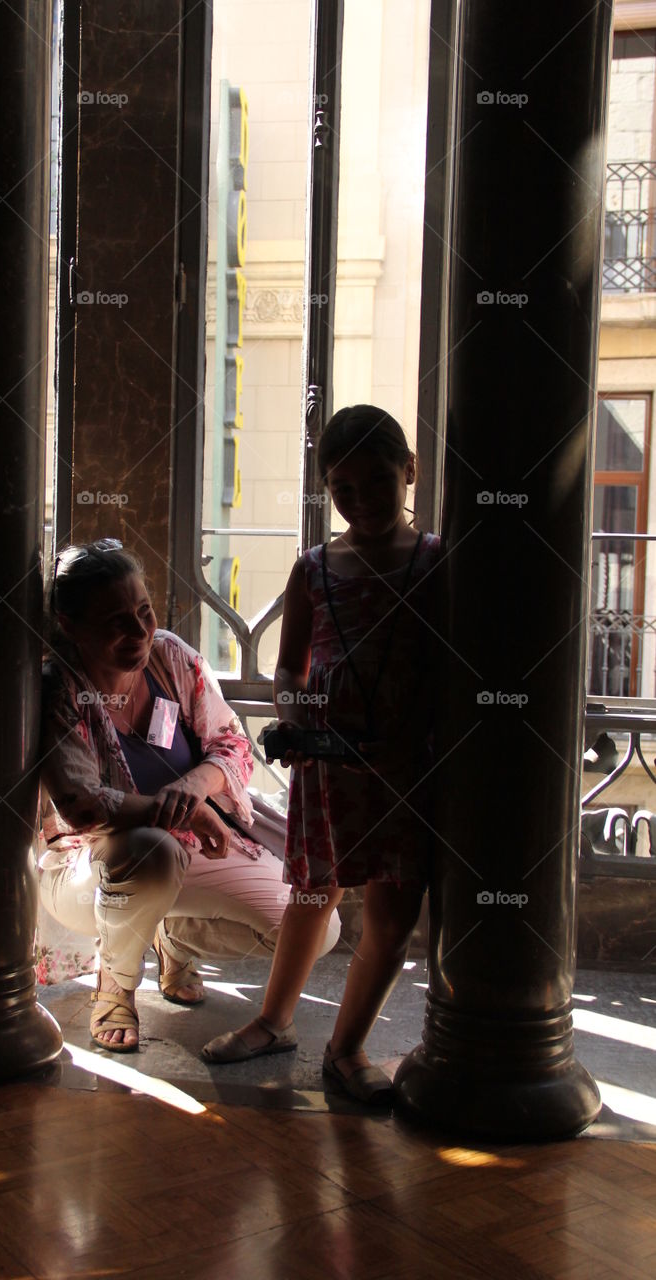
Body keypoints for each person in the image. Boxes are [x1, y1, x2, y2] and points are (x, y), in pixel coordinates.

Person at [202, 405, 440, 1104]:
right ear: (325, 491)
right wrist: (297, 717)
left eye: (377, 481)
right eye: (342, 488)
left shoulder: (433, 563)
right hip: (328, 766)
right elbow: (287, 670)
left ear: (409, 473)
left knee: (393, 917)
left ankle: (346, 1049)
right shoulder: (313, 569)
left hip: (404, 770)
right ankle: (273, 1021)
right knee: (312, 893)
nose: (361, 501)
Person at [36, 539, 340, 1053]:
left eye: (144, 611)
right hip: (89, 866)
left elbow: (234, 743)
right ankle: (115, 986)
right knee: (154, 850)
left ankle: (170, 938)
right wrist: (184, 813)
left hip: (198, 847)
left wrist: (195, 787)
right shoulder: (59, 687)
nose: (139, 631)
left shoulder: (169, 657)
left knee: (316, 923)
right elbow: (81, 803)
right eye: (116, 621)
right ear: (70, 625)